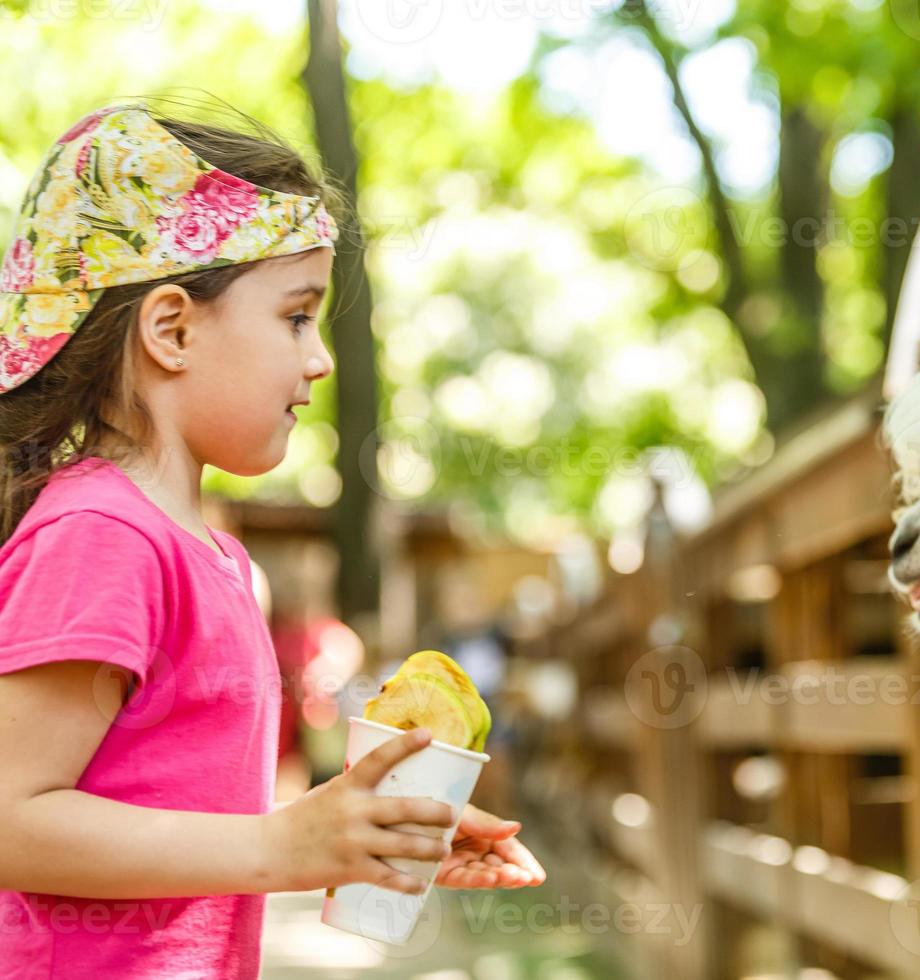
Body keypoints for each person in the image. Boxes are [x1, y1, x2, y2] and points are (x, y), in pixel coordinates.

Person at [0, 101, 545, 979]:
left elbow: (179, 809)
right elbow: (10, 820)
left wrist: (345, 834)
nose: (322, 357)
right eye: (297, 316)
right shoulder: (101, 537)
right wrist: (280, 847)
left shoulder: (212, 558)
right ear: (171, 329)